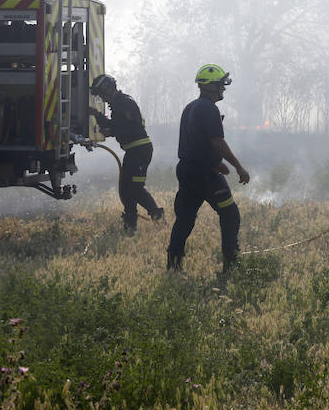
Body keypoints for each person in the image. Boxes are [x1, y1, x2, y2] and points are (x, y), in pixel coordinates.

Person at [166, 64, 250, 272]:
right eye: (221, 84)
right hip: (203, 174)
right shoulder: (209, 108)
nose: (223, 88)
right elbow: (217, 142)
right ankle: (231, 265)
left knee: (185, 219)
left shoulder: (191, 107)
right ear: (210, 86)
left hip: (187, 170)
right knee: (230, 213)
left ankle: (173, 264)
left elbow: (197, 140)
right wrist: (239, 167)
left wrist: (217, 162)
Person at [89, 73, 164, 233]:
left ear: (109, 89)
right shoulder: (118, 105)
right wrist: (97, 116)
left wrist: (112, 131)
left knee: (135, 188)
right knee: (126, 189)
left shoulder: (125, 103)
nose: (102, 99)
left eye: (102, 94)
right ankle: (130, 225)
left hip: (140, 150)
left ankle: (157, 216)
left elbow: (132, 127)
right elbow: (115, 125)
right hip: (132, 151)